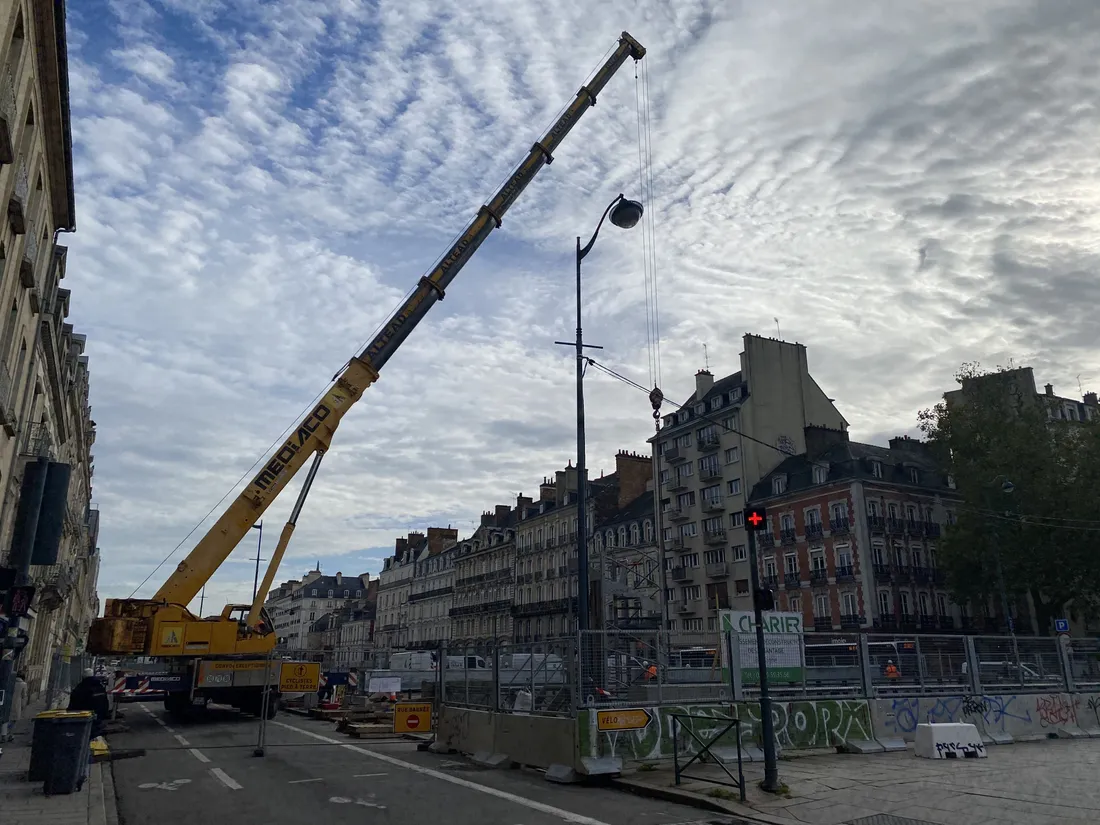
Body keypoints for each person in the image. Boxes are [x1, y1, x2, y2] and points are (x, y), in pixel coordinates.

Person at [68, 668, 110, 733]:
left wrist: (70, 713)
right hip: (99, 716)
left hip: (85, 718)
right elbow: (105, 702)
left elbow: (74, 704)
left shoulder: (80, 688)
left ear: (83, 677)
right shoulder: (100, 686)